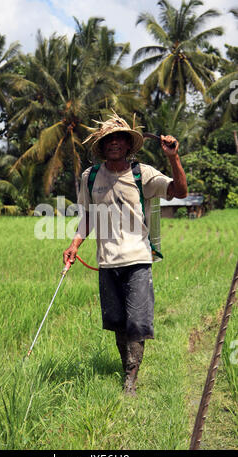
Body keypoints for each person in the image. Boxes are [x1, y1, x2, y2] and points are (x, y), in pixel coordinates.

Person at [63, 112, 187, 396]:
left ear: (129, 144)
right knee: (118, 322)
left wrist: (173, 158)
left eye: (120, 138)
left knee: (136, 322)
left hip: (138, 260)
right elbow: (88, 217)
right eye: (109, 139)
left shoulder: (143, 173)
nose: (115, 143)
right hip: (107, 261)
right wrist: (74, 245)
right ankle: (126, 367)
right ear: (102, 146)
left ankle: (130, 381)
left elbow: (179, 191)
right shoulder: (90, 176)